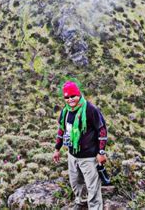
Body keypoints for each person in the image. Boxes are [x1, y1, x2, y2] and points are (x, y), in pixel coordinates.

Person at [53, 81, 108, 210]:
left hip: (89, 157)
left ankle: (95, 208)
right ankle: (81, 202)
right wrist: (57, 149)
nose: (70, 99)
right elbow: (61, 130)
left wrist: (101, 152)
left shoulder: (90, 109)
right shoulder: (65, 112)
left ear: (78, 94)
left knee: (92, 186)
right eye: (67, 97)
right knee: (76, 183)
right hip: (72, 155)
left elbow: (102, 130)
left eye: (73, 96)